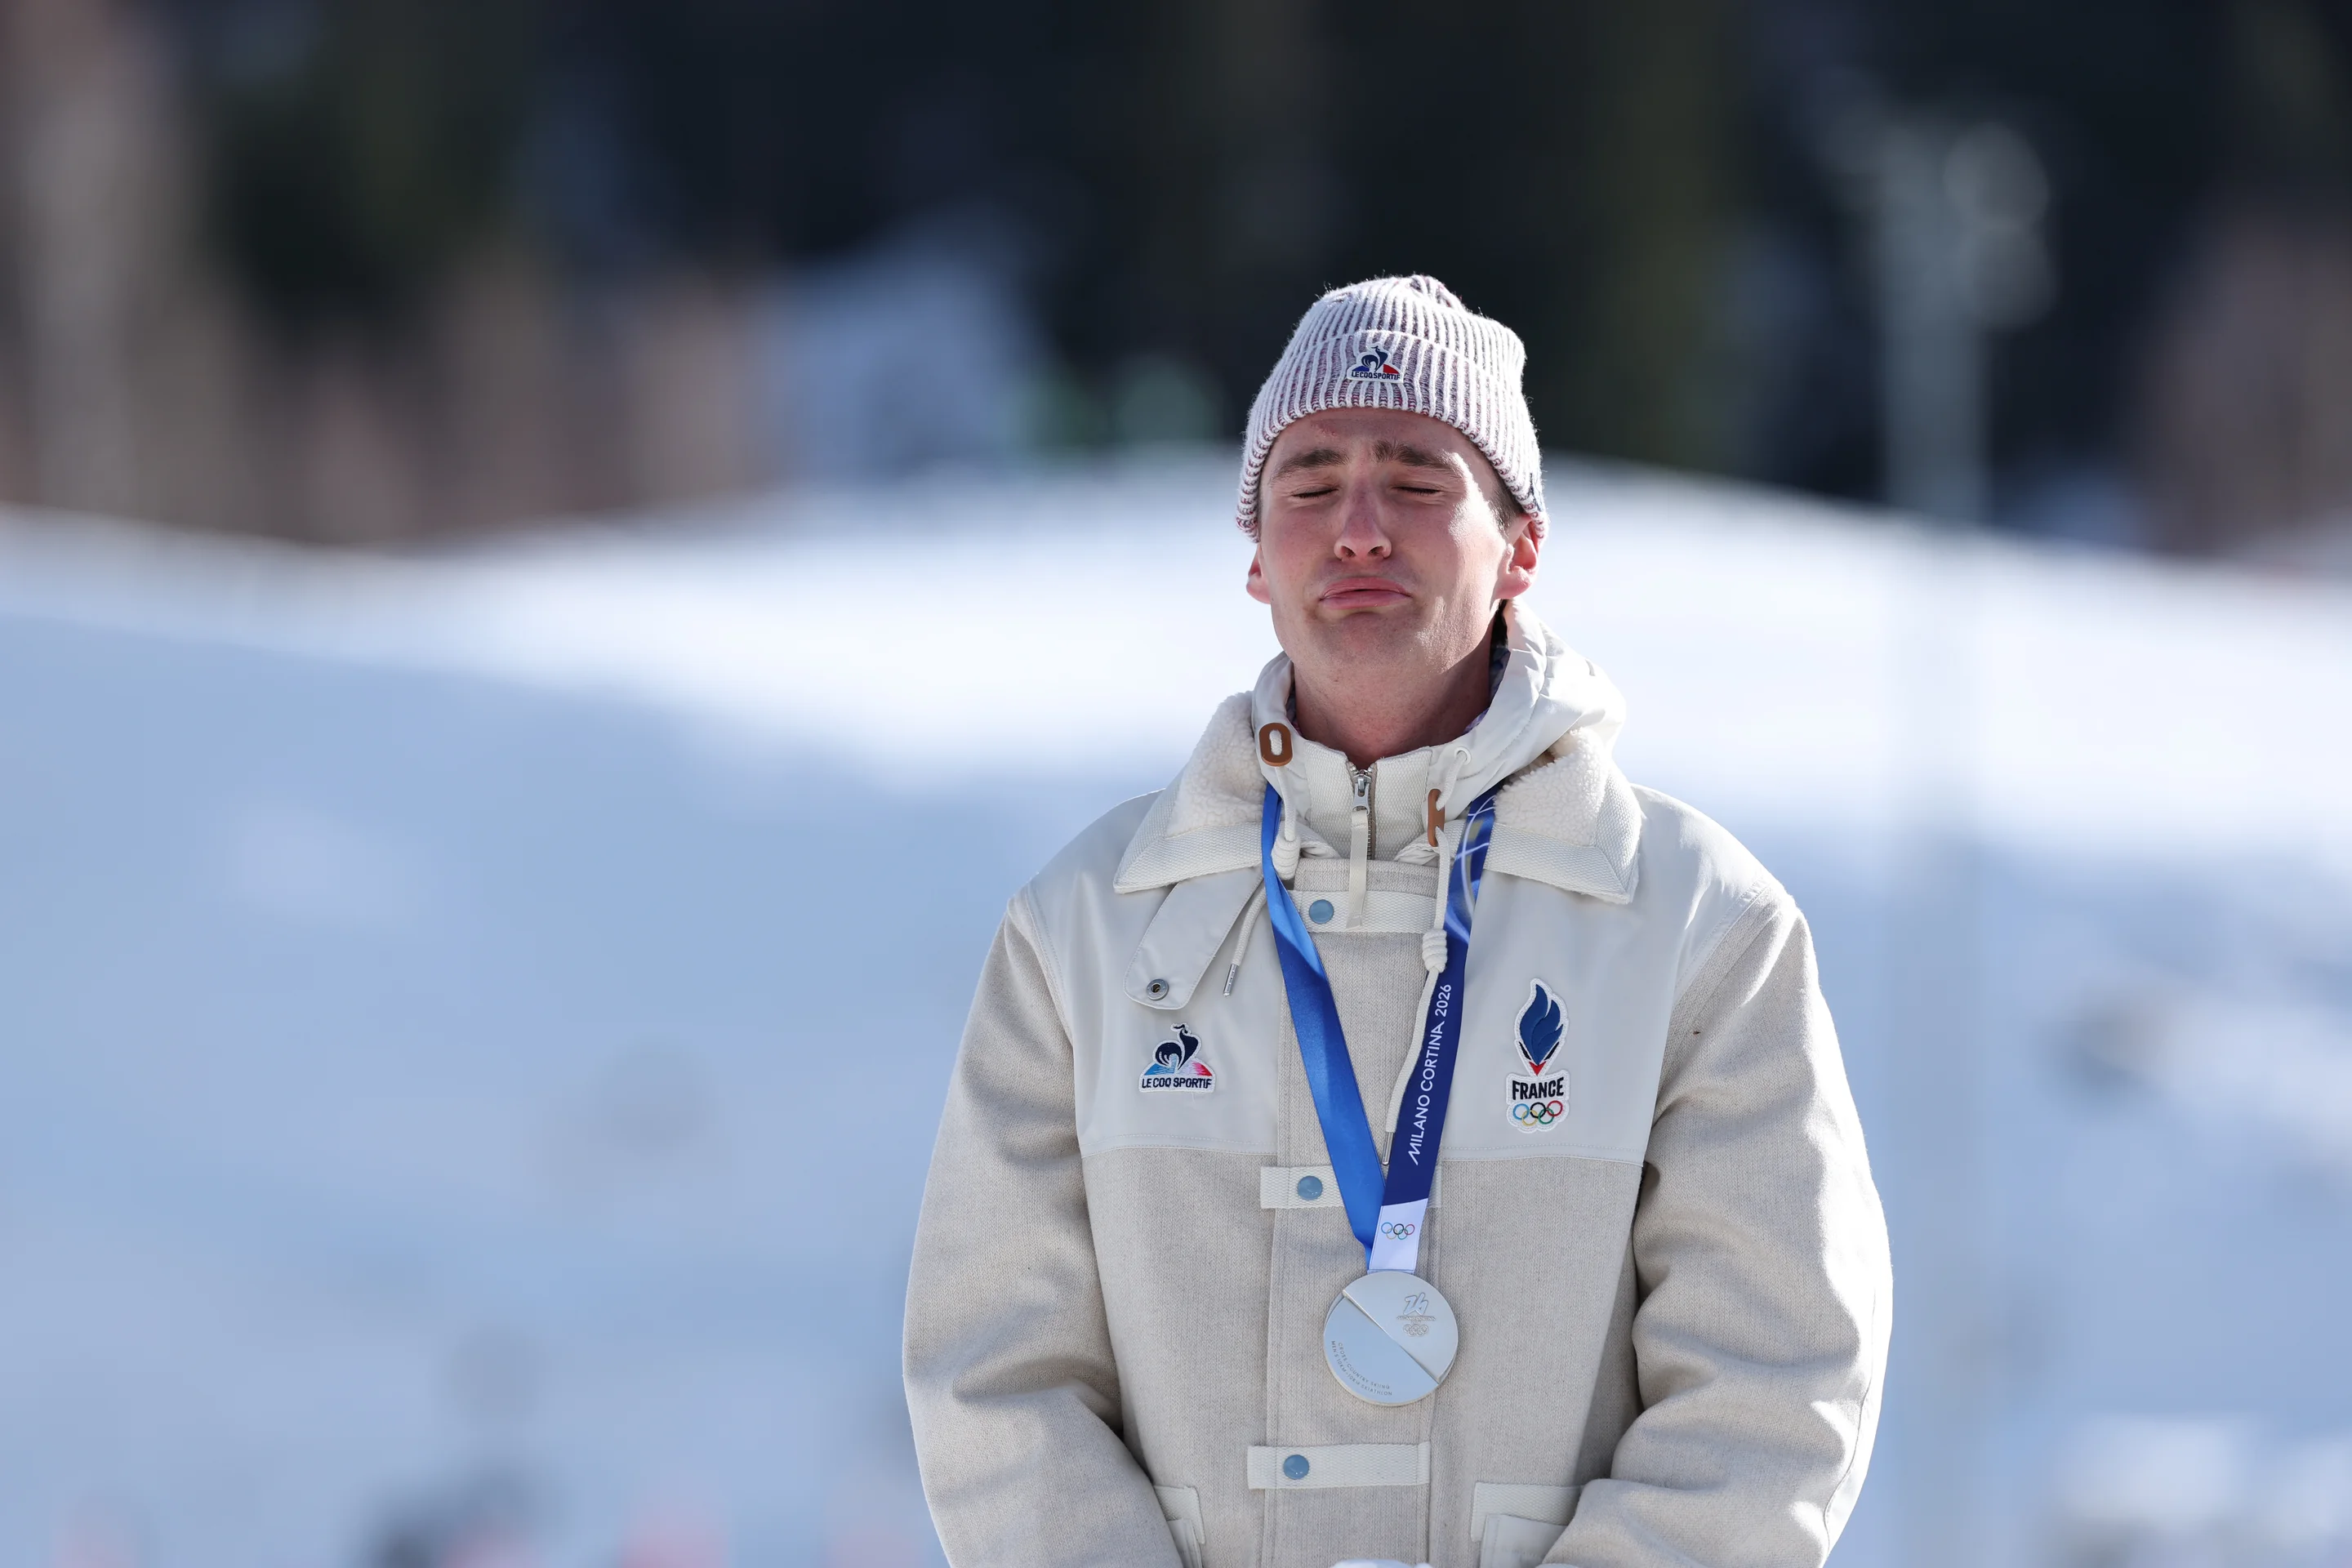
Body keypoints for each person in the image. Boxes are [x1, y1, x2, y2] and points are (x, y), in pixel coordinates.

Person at [902, 275, 1891, 1568]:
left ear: (1520, 545)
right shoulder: (1085, 928)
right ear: (1257, 556)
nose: (1359, 529)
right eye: (1310, 484)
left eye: (1419, 479)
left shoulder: (1701, 925)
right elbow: (995, 1379)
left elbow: (1776, 1391)